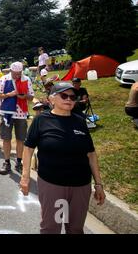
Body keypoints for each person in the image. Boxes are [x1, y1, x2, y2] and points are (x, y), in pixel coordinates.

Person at [20, 82, 106, 234]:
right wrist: (25, 177)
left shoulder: (80, 121)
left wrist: (98, 184)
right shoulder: (41, 120)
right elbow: (28, 149)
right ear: (51, 99)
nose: (69, 99)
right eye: (64, 95)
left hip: (81, 185)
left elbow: (91, 154)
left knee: (75, 229)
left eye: (73, 97)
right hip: (53, 184)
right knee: (51, 228)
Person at [0, 62, 34, 175]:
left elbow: (31, 97)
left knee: (21, 139)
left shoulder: (26, 79)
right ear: (11, 71)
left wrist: (24, 96)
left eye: (19, 74)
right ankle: (7, 162)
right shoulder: (4, 79)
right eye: (15, 74)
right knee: (6, 138)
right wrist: (10, 94)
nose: (17, 76)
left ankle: (18, 162)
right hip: (7, 113)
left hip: (21, 113)